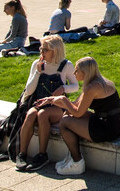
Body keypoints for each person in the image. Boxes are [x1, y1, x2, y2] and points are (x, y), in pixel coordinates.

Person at [48, 56, 120, 176]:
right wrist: (51, 100)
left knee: (65, 122)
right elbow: (74, 106)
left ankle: (77, 162)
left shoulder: (92, 88)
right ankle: (71, 158)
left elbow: (77, 112)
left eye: (77, 70)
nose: (74, 73)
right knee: (68, 117)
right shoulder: (98, 82)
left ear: (85, 72)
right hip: (111, 123)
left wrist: (62, 99)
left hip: (108, 129)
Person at [15, 36, 79, 171]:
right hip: (39, 102)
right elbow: (29, 90)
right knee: (31, 114)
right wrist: (37, 72)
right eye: (41, 49)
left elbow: (76, 86)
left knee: (43, 115)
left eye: (45, 50)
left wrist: (64, 88)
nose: (41, 52)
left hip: (56, 105)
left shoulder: (65, 65)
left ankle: (42, 154)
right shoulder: (37, 65)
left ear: (55, 51)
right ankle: (22, 153)